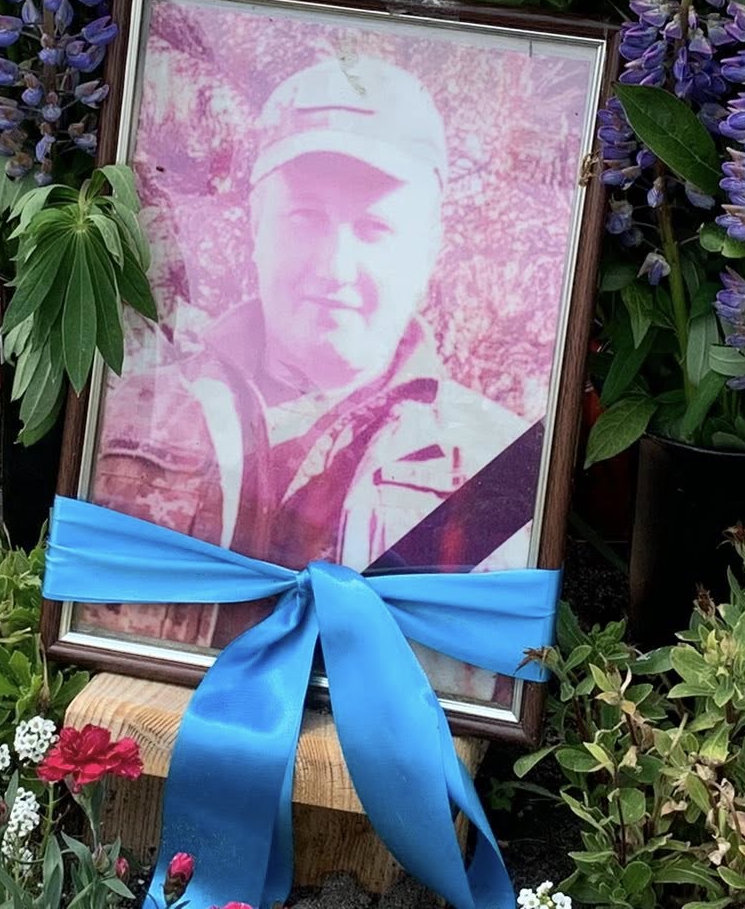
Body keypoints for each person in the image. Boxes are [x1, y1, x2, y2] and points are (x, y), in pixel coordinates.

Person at [83, 54, 538, 664]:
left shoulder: (503, 467)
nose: (335, 268)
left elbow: (501, 674)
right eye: (305, 218)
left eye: (374, 228)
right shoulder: (128, 414)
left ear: (430, 249)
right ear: (256, 226)